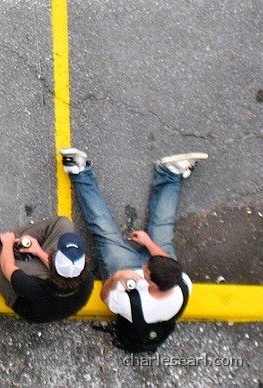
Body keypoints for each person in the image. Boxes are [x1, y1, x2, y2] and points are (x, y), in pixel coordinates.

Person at [61, 147, 203, 346]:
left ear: (152, 283)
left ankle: (79, 171)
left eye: (147, 268)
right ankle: (170, 174)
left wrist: (117, 277)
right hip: (157, 269)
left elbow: (104, 297)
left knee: (103, 229)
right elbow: (166, 262)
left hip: (122, 270)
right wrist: (149, 244)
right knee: (163, 226)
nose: (145, 264)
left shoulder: (133, 306)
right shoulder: (181, 283)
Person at [0, 217, 94, 322]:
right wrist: (38, 251)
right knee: (63, 222)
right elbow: (59, 271)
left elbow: (7, 267)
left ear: (54, 263)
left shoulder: (32, 286)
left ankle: (3, 243)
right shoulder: (87, 279)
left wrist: (8, 242)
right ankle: (17, 249)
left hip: (21, 292)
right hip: (49, 285)